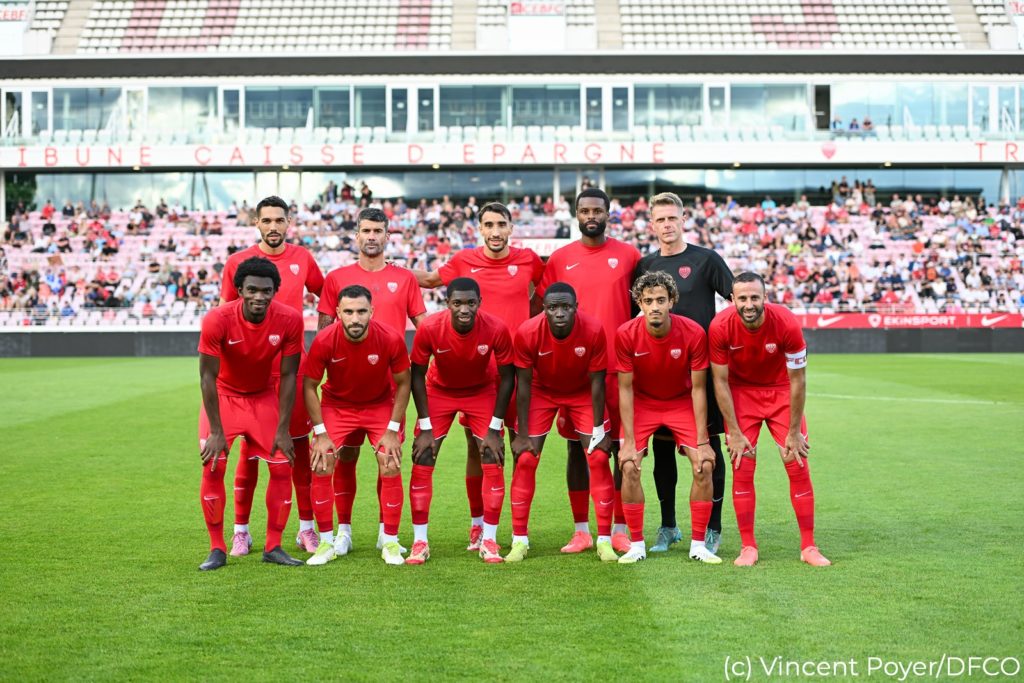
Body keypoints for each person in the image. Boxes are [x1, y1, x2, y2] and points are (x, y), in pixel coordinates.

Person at [414, 202, 543, 552]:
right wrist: (384, 270)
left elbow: (546, 297)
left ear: (511, 227)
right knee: (480, 447)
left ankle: (518, 532)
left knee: (522, 450)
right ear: (480, 229)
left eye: (502, 224)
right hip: (477, 376)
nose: (496, 231)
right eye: (489, 225)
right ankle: (479, 526)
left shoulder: (529, 260)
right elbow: (427, 281)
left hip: (516, 371)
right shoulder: (462, 261)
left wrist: (529, 330)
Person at [219, 196, 325, 556]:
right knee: (248, 454)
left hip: (291, 370)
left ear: (288, 222)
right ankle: (241, 531)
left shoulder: (303, 258)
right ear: (257, 224)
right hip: (253, 378)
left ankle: (306, 529)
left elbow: (327, 296)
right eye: (267, 220)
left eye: (279, 220)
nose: (274, 226)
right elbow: (225, 315)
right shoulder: (237, 263)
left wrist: (323, 339)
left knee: (297, 449)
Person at [538, 187, 641, 554]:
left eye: (598, 209)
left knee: (618, 449)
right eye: (585, 210)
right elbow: (545, 310)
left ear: (608, 213)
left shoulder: (629, 256)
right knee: (576, 450)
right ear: (576, 214)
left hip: (620, 369)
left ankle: (619, 527)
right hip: (575, 374)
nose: (591, 215)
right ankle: (581, 530)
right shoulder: (560, 259)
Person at [318, 207, 426, 551]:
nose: (371, 236)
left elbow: (423, 326)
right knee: (343, 457)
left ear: (387, 235)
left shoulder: (405, 279)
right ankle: (344, 531)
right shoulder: (336, 278)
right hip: (346, 387)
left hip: (390, 388)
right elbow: (324, 331)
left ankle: (385, 532)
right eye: (365, 230)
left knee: (388, 459)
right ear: (357, 235)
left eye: (378, 230)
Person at [633, 192, 733, 555]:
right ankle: (668, 526)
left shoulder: (706, 260)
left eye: (672, 218)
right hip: (659, 376)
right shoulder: (645, 266)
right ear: (652, 224)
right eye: (660, 220)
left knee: (709, 451)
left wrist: (721, 340)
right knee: (662, 453)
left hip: (701, 374)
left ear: (683, 218)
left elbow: (736, 300)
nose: (667, 225)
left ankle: (712, 527)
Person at [708, 272, 831, 567]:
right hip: (741, 395)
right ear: (732, 300)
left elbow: (798, 380)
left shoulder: (786, 322)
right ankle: (748, 546)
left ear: (765, 297)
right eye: (742, 298)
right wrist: (734, 432)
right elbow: (720, 383)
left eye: (754, 297)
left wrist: (793, 432)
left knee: (797, 462)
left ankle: (808, 546)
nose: (749, 304)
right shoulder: (720, 327)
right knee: (742, 465)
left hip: (781, 392)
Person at [196, 256, 305, 570]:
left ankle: (274, 546)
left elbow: (288, 376)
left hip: (261, 399)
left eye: (267, 291)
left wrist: (283, 428)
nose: (260, 297)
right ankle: (217, 548)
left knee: (283, 466)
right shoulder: (217, 319)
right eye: (253, 290)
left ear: (275, 291)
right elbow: (206, 377)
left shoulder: (290, 319)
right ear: (239, 290)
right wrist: (216, 431)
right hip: (223, 399)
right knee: (213, 466)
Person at [615, 271, 722, 565]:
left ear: (672, 301)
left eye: (661, 299)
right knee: (628, 466)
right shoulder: (626, 334)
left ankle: (699, 545)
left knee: (705, 463)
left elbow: (699, 388)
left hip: (680, 403)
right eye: (648, 301)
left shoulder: (693, 333)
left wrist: (702, 439)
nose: (655, 307)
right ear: (639, 302)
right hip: (644, 404)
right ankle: (636, 545)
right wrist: (628, 441)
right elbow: (624, 390)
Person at [506, 283, 618, 562]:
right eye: (553, 307)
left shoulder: (593, 329)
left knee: (599, 457)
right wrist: (521, 433)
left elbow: (597, 382)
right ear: (543, 309)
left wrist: (597, 430)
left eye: (565, 307)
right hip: (541, 391)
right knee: (526, 459)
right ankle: (519, 540)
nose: (559, 313)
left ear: (575, 307)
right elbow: (523, 384)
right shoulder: (528, 332)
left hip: (582, 391)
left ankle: (603, 540)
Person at [407, 278, 515, 564]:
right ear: (447, 304)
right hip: (439, 391)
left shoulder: (496, 328)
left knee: (492, 455)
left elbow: (507, 378)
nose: (464, 309)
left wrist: (494, 427)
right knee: (423, 457)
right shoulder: (430, 328)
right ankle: (419, 541)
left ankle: (487, 537)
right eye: (457, 303)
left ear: (480, 303)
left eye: (470, 303)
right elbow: (416, 375)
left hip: (481, 391)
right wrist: (426, 427)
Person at [303, 285, 412, 566]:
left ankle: (389, 540)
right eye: (348, 312)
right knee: (322, 460)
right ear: (338, 312)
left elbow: (403, 383)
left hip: (379, 405)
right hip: (338, 406)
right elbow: (309, 386)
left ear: (371, 312)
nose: (355, 318)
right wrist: (321, 433)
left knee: (390, 460)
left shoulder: (389, 338)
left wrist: (391, 429)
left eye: (361, 311)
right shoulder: (325, 341)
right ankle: (329, 541)